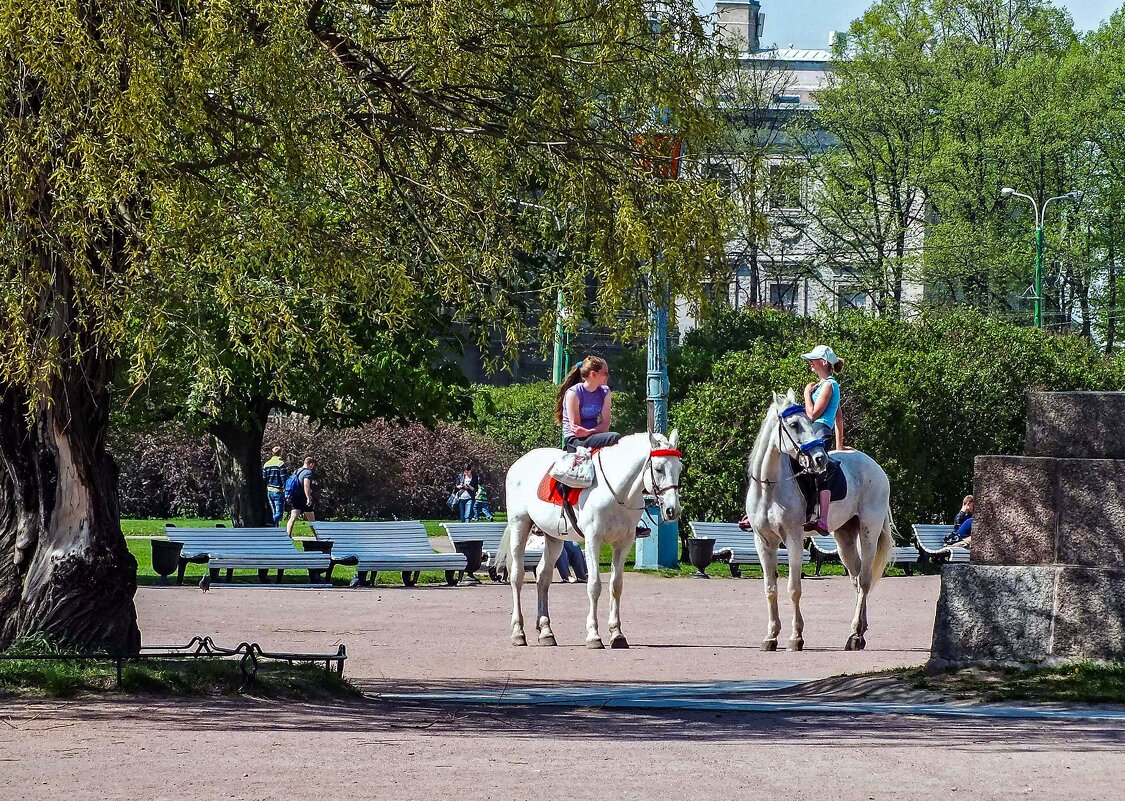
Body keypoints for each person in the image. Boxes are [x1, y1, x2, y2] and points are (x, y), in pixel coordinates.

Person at [801, 344, 847, 535]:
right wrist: (840, 446)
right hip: (810, 432)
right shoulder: (823, 385)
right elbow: (839, 417)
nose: (810, 363)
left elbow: (813, 414)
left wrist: (805, 393)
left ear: (823, 362)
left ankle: (823, 518)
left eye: (813, 360)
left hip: (818, 431)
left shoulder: (829, 385)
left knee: (819, 472)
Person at [557, 356, 621, 452]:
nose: (608, 376)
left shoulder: (605, 392)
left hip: (592, 435)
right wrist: (594, 431)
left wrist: (590, 431)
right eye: (605, 373)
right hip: (574, 440)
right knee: (614, 437)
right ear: (594, 374)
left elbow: (605, 425)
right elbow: (578, 431)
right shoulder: (574, 394)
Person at [285, 456, 317, 537]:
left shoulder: (296, 471)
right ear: (311, 464)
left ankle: (288, 535)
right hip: (303, 497)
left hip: (295, 497)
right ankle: (317, 536)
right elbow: (306, 484)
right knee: (312, 519)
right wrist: (308, 497)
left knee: (293, 517)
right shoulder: (307, 472)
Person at [262, 447, 288, 527]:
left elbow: (264, 479)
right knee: (279, 513)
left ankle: (275, 529)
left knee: (274, 511)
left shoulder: (267, 464)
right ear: (280, 453)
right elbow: (284, 479)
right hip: (278, 491)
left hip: (269, 491)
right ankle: (271, 523)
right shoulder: (280, 464)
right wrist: (286, 490)